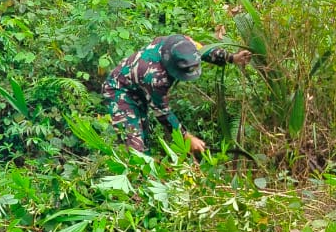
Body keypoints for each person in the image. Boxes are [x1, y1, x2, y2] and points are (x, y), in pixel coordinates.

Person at [102, 34, 252, 153]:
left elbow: (202, 51)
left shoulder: (183, 43)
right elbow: (163, 114)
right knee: (134, 145)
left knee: (144, 141)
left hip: (140, 90)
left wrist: (231, 57)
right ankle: (133, 187)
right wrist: (187, 137)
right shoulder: (155, 77)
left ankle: (144, 180)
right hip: (120, 92)